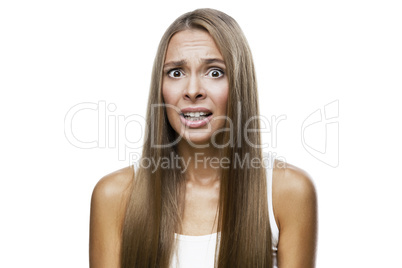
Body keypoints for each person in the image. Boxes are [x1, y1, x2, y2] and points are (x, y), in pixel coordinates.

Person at [89, 8, 317, 268]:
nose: (193, 90)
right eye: (176, 72)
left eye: (215, 72)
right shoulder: (115, 196)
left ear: (239, 84)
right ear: (160, 88)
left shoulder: (287, 192)